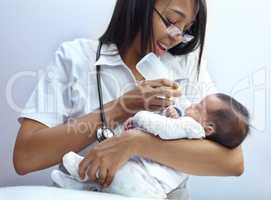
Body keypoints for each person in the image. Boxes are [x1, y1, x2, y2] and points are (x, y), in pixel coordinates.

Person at [13, 0, 245, 199]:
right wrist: (119, 108)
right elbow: (25, 157)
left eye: (186, 29)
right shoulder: (75, 58)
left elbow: (232, 161)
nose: (177, 38)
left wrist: (135, 143)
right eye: (172, 21)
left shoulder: (186, 65)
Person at [50, 93, 250, 199]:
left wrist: (139, 120)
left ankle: (80, 171)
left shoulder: (192, 127)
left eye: (198, 107)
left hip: (144, 182)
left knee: (119, 172)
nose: (191, 105)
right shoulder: (197, 136)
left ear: (208, 128)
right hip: (151, 189)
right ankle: (79, 184)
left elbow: (163, 129)